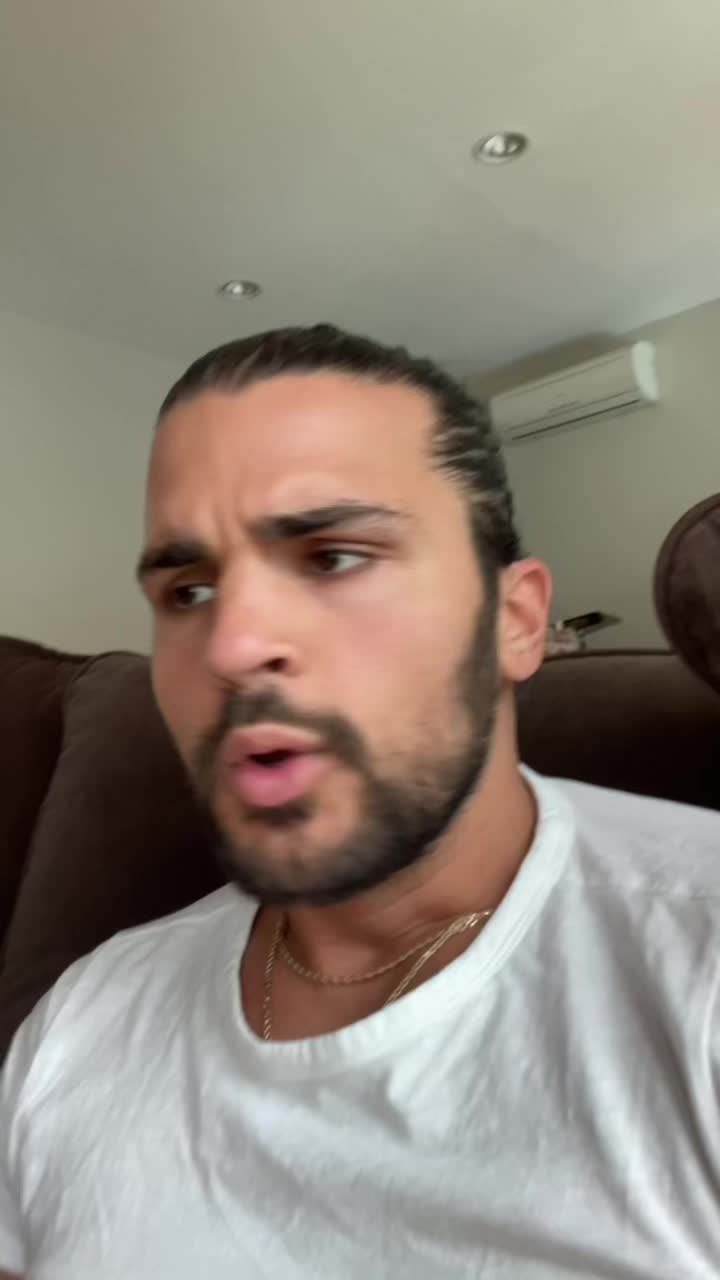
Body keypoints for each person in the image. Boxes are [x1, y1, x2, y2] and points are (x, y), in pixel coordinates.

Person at [0, 325, 718, 1280]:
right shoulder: (84, 1019)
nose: (232, 646)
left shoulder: (695, 958)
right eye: (189, 591)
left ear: (515, 622)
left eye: (334, 557)